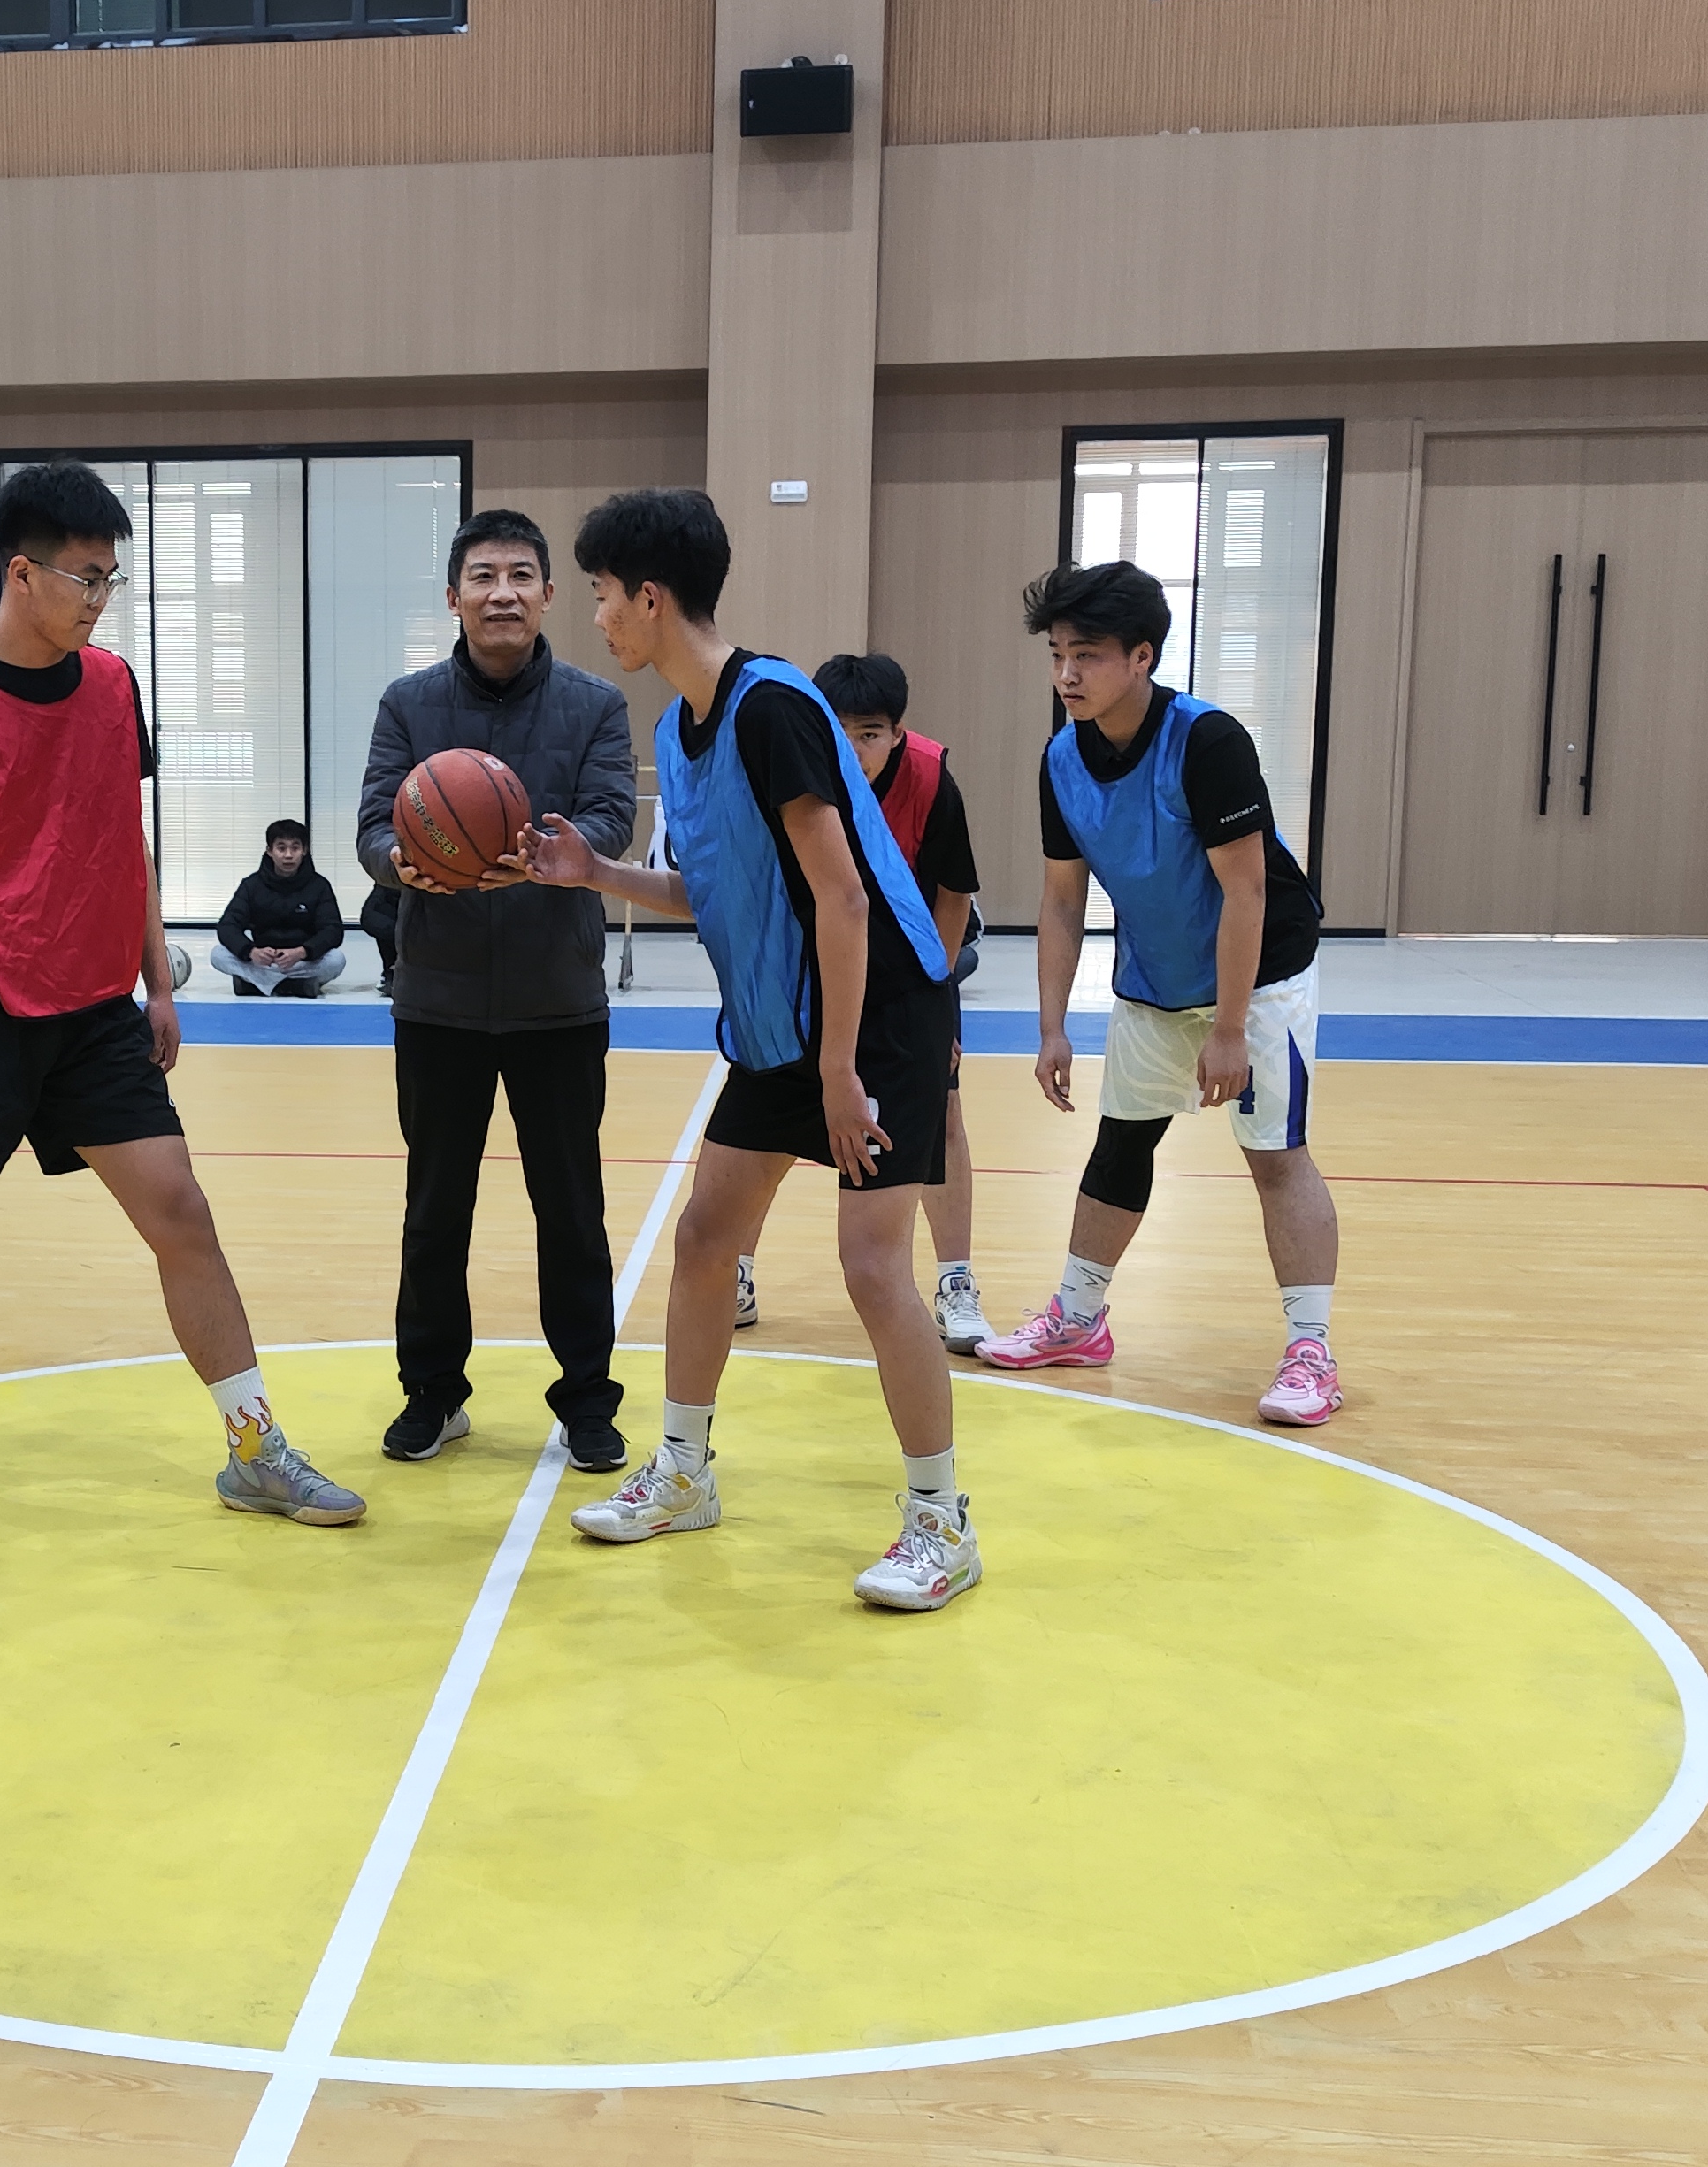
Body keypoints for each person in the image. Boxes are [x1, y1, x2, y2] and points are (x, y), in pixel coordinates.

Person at [0, 461, 364, 1527]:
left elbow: (125, 840)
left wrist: (158, 977)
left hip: (92, 1011)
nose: (99, 597)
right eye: (84, 576)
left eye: (111, 577)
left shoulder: (114, 686)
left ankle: (255, 1447)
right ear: (21, 573)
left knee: (181, 1210)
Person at [515, 488, 981, 1612]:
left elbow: (844, 898)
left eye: (601, 595)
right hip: (780, 1026)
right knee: (704, 1237)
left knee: (872, 1267)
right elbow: (715, 892)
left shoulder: (772, 708)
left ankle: (940, 1522)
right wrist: (597, 873)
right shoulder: (678, 731)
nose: (596, 618)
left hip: (877, 1022)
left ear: (650, 596)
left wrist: (839, 1070)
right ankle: (684, 1470)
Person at [977, 560, 1343, 1428]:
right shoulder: (1060, 759)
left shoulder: (1208, 742)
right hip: (1153, 977)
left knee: (1274, 1154)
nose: (1067, 675)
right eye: (1057, 655)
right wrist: (1051, 1027)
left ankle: (1311, 1352)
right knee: (1121, 1142)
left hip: (1261, 974)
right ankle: (1078, 1320)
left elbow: (1246, 891)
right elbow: (1061, 900)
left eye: (1087, 655)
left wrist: (1229, 1028)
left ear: (1141, 656)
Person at [356, 505, 638, 1469]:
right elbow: (373, 827)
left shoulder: (596, 704)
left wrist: (561, 851)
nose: (502, 593)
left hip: (559, 1002)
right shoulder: (407, 703)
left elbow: (613, 817)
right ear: (454, 596)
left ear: (549, 594)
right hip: (437, 1003)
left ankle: (587, 1400)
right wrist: (402, 861)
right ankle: (433, 1394)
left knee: (572, 1212)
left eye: (521, 576)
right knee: (434, 1211)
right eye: (483, 576)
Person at [818, 651, 992, 1353]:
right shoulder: (797, 772)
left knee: (941, 1113)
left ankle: (956, 1283)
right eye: (840, 732)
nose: (855, 749)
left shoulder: (929, 779)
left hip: (911, 968)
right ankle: (736, 1270)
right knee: (772, 1119)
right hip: (818, 967)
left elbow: (953, 896)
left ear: (897, 733)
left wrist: (934, 1001)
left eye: (870, 734)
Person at [212, 817, 349, 995]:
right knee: (218, 954)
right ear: (270, 851)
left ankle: (259, 983)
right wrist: (251, 951)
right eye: (281, 848)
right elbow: (227, 925)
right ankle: (295, 986)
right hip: (263, 962)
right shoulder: (251, 885)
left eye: (295, 848)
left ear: (304, 850)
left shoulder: (319, 886)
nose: (288, 855)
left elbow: (333, 930)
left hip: (301, 962)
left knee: (336, 960)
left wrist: (302, 952)